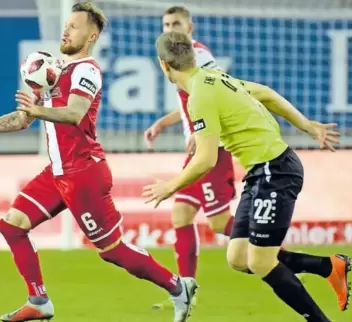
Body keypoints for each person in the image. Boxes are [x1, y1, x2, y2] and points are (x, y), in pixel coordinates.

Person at [0, 4, 197, 322]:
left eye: (74, 26)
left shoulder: (87, 71)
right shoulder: (54, 72)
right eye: (66, 25)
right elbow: (24, 118)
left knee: (112, 251)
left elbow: (74, 113)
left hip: (83, 172)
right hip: (56, 172)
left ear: (91, 35)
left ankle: (179, 287)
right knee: (11, 225)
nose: (66, 30)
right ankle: (38, 301)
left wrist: (37, 109)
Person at [143, 31, 352, 322]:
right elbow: (266, 93)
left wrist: (171, 186)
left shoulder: (199, 96)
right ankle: (328, 266)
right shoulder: (215, 78)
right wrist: (306, 125)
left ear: (163, 65)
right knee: (239, 258)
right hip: (261, 172)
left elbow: (206, 159)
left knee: (261, 261)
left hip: (275, 169)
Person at [144, 6, 235, 310]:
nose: (171, 28)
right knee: (181, 215)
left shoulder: (200, 56)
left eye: (176, 23)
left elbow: (221, 93)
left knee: (220, 223)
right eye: (166, 24)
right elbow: (186, 107)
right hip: (196, 148)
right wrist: (162, 123)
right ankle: (186, 289)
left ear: (190, 27)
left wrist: (202, 130)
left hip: (212, 149)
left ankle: (278, 251)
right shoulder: (178, 61)